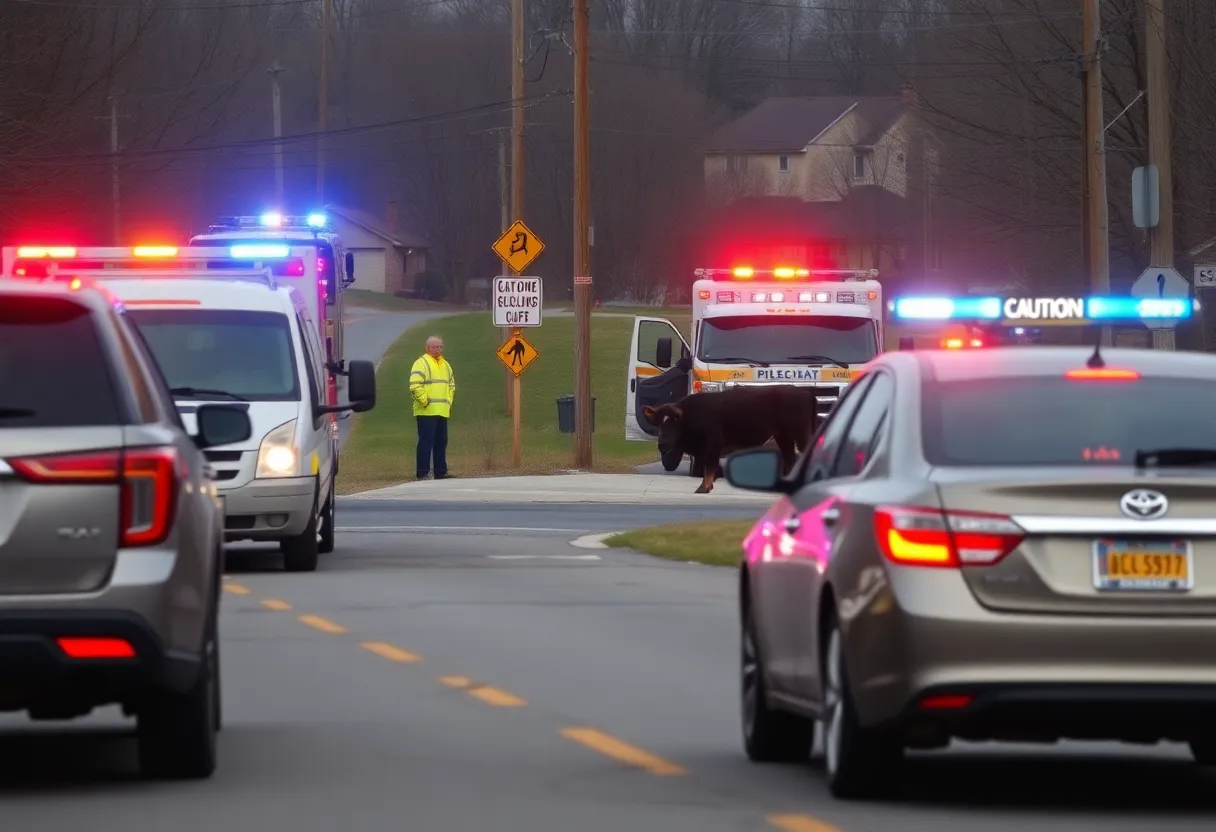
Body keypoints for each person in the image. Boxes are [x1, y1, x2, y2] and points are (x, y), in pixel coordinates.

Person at [409, 335, 456, 480]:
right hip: (426, 411)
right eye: (434, 347)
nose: (437, 349)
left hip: (442, 410)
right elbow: (415, 385)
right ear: (427, 348)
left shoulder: (446, 364)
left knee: (441, 441)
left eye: (440, 346)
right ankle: (422, 472)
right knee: (426, 441)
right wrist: (425, 402)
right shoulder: (421, 363)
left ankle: (440, 472)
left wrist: (448, 401)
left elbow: (451, 385)